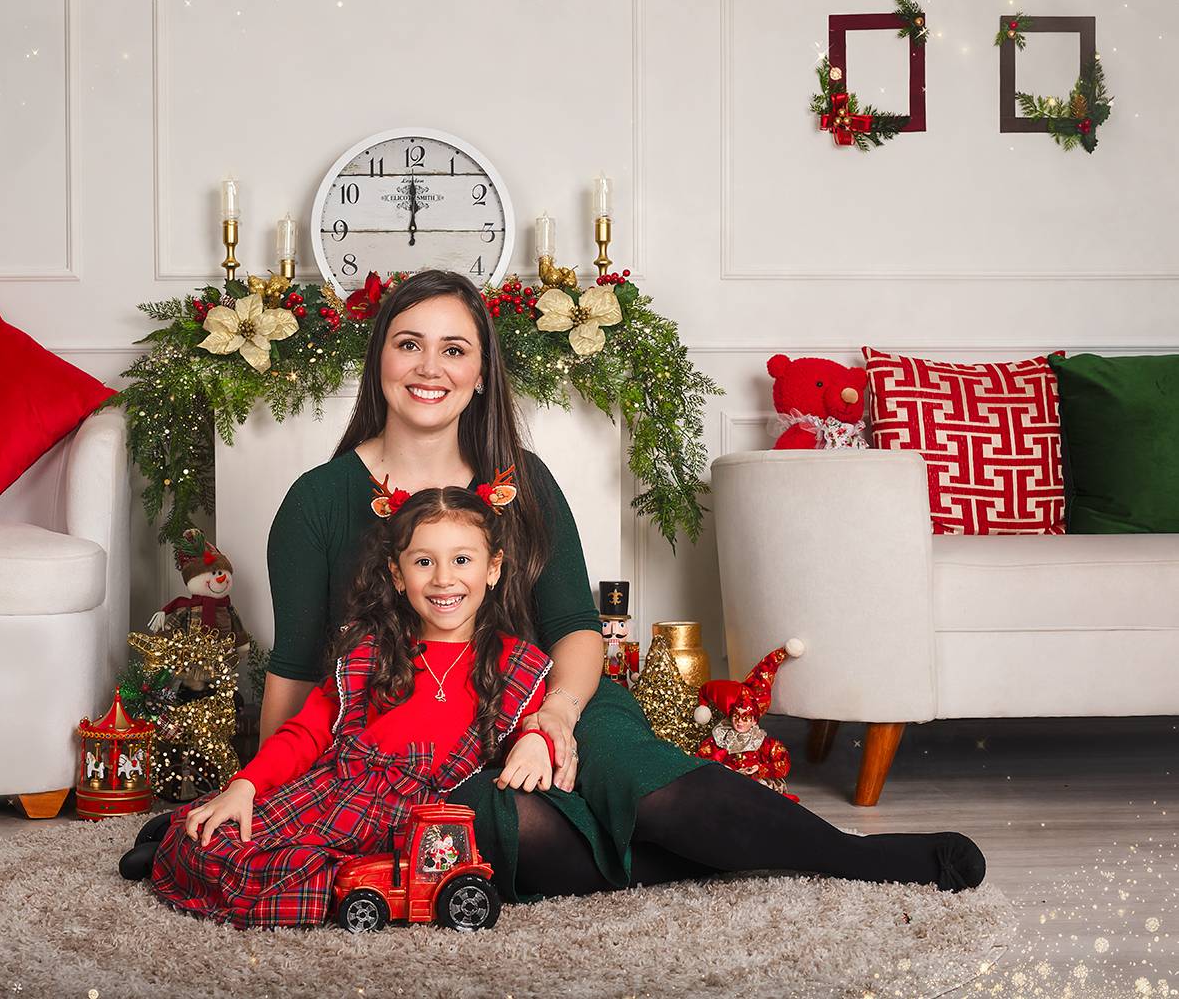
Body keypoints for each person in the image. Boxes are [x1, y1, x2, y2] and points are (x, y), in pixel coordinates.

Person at [251, 269, 985, 902]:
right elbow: (295, 668)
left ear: (480, 373)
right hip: (416, 745)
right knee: (504, 830)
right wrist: (267, 800)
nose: (429, 368)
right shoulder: (317, 501)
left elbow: (573, 626)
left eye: (454, 349)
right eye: (408, 344)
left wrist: (557, 718)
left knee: (648, 786)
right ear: (379, 358)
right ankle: (699, 860)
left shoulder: (526, 482)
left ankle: (857, 859)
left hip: (548, 695)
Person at [118, 486, 561, 928]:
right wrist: (246, 784)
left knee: (314, 876)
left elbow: (534, 727)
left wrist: (538, 740)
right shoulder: (371, 651)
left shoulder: (517, 665)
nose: (444, 579)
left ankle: (175, 845)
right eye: (424, 562)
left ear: (493, 568)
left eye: (462, 560)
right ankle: (174, 840)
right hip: (338, 791)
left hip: (416, 821)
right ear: (397, 574)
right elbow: (307, 731)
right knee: (222, 830)